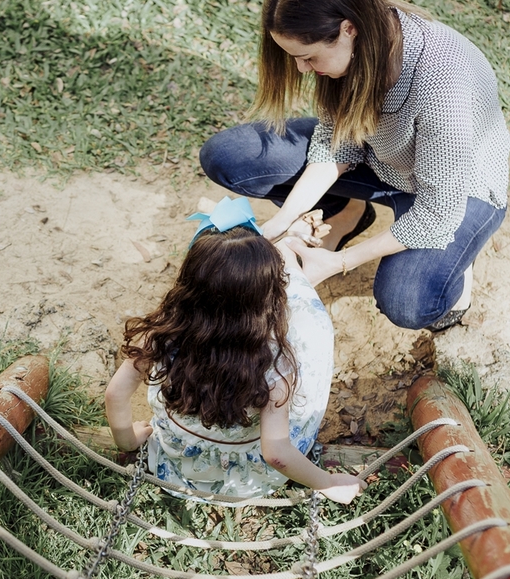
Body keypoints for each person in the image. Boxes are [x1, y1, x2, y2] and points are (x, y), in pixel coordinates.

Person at [199, 0, 510, 332]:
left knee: (408, 300)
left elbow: (438, 211)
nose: (301, 69)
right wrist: (280, 224)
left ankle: (459, 266)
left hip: (459, 191)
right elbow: (336, 142)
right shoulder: (357, 46)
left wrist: (340, 263)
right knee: (229, 155)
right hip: (383, 158)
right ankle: (345, 214)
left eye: (308, 57)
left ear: (348, 28)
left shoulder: (443, 83)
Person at [103, 197, 362, 504]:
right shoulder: (275, 365)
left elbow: (115, 394)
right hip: (246, 483)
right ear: (269, 299)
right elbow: (277, 454)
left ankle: (289, 244)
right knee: (310, 317)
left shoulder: (158, 336)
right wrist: (328, 483)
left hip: (173, 467)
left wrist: (130, 441)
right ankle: (290, 251)